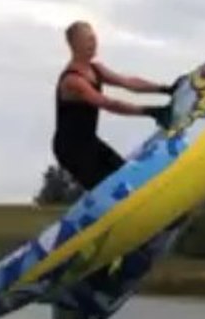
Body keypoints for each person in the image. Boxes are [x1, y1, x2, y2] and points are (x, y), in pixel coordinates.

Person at [54, 20, 175, 191]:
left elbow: (128, 82)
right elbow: (108, 103)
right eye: (88, 39)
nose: (93, 43)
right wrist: (150, 111)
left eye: (94, 38)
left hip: (90, 141)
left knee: (126, 176)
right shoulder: (72, 80)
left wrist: (166, 89)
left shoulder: (96, 69)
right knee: (110, 190)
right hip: (70, 149)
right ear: (74, 44)